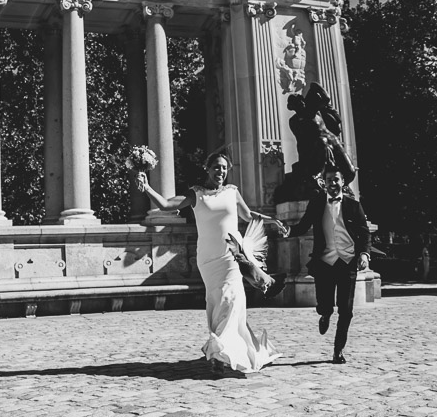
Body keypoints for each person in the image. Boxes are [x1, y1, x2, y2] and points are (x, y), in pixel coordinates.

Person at [138, 152, 288, 375]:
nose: (221, 172)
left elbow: (248, 216)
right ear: (207, 168)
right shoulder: (196, 194)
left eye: (225, 168)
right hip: (208, 259)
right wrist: (147, 187)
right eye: (217, 167)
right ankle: (223, 350)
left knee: (233, 299)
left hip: (232, 254)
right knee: (218, 302)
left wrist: (272, 220)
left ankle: (220, 354)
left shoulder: (232, 191)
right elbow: (168, 205)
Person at [288, 168, 371, 364]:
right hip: (324, 263)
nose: (332, 184)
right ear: (323, 183)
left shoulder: (353, 205)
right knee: (325, 305)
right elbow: (303, 225)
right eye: (328, 180)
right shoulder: (316, 203)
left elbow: (365, 233)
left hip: (347, 262)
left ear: (343, 182)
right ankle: (325, 315)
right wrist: (287, 231)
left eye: (336, 180)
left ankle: (338, 350)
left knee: (346, 310)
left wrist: (364, 254)